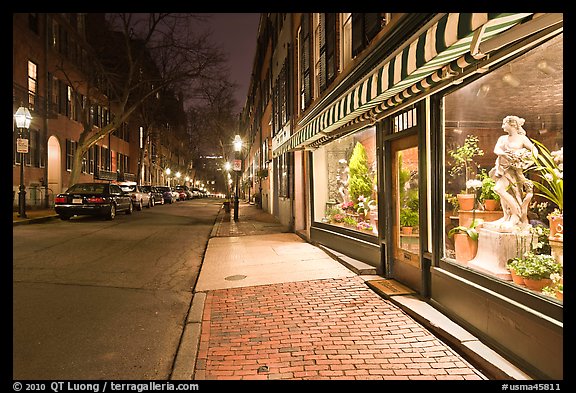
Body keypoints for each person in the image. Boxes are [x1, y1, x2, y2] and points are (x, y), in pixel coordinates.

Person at [486, 115, 538, 232]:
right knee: (502, 191)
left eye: (504, 124)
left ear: (512, 125)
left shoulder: (522, 139)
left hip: (515, 171)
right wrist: (504, 154)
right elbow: (496, 150)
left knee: (506, 190)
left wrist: (528, 162)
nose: (502, 126)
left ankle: (516, 214)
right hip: (503, 168)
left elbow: (534, 150)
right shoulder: (502, 138)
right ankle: (506, 216)